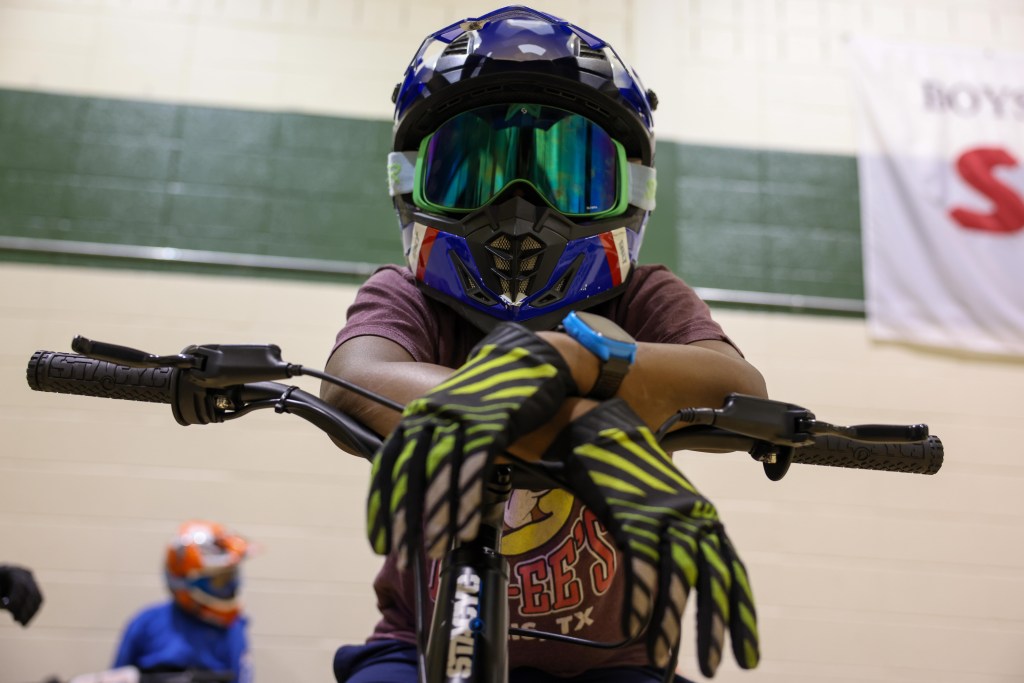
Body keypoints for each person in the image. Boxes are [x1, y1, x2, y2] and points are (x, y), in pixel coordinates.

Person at [321, 6, 769, 682]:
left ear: (631, 192)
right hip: (420, 641)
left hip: (616, 662)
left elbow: (737, 388)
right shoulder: (407, 295)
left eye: (568, 174)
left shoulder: (643, 297)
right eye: (475, 171)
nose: (519, 206)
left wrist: (579, 358)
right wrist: (581, 412)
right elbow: (355, 381)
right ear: (412, 183)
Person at [112, 520, 253, 683]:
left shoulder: (231, 628)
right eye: (220, 580)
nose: (231, 586)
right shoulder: (146, 623)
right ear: (187, 581)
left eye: (230, 577)